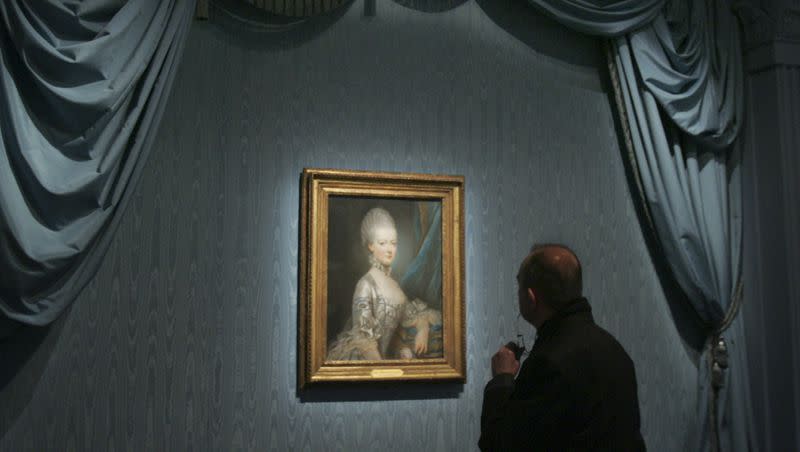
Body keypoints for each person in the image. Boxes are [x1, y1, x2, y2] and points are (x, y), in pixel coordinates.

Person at [479, 244, 646, 451]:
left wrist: (501, 380)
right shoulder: (614, 350)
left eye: (519, 287)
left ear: (531, 298)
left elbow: (500, 444)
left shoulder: (548, 363)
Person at [326, 207, 441, 360]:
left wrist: (423, 330)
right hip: (365, 362)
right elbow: (364, 341)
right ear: (370, 246)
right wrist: (382, 368)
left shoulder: (394, 286)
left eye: (393, 243)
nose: (389, 250)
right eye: (382, 243)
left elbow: (413, 316)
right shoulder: (365, 285)